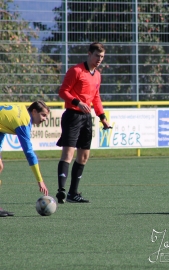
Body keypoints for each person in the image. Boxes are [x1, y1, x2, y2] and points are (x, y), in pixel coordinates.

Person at [56, 42, 111, 204]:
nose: (99, 59)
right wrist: (77, 102)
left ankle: (73, 193)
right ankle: (61, 191)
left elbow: (96, 98)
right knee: (68, 154)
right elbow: (63, 91)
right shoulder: (76, 71)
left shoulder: (98, 75)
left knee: (84, 156)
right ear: (89, 54)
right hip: (73, 115)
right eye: (97, 56)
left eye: (102, 57)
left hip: (87, 118)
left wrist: (103, 118)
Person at [0, 101, 50, 217]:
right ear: (34, 111)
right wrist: (40, 181)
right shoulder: (23, 121)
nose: (44, 119)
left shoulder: (22, 108)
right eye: (43, 115)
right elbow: (29, 153)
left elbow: (2, 126)